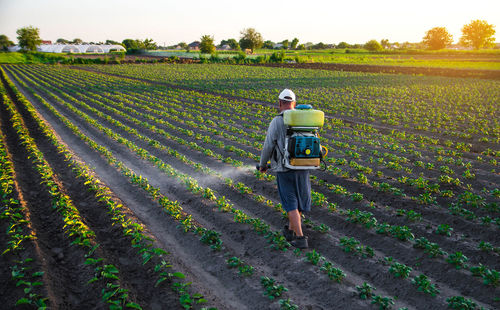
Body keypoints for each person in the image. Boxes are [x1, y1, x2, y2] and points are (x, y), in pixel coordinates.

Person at [258, 89, 311, 249]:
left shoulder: (277, 121)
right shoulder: (305, 119)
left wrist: (262, 164)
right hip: (303, 166)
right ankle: (289, 230)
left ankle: (301, 237)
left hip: (285, 168)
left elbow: (268, 145)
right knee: (297, 201)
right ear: (294, 103)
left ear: (280, 103)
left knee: (290, 202)